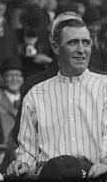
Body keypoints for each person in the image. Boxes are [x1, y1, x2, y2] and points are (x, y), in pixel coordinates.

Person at [7, 13, 107, 178]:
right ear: (55, 47)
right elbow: (28, 151)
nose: (81, 50)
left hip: (95, 176)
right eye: (73, 43)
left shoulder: (104, 86)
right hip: (50, 176)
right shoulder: (36, 93)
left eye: (86, 43)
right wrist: (23, 163)